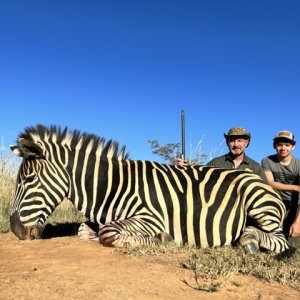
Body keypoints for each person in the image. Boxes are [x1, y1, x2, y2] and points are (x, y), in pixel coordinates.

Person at [176, 127, 267, 182]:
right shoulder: (215, 163)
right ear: (227, 142)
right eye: (232, 141)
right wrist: (185, 169)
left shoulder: (255, 167)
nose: (236, 145)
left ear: (246, 143)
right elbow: (198, 179)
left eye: (239, 140)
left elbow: (266, 191)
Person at [261, 130, 300, 240]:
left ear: (293, 147)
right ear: (274, 146)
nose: (283, 148)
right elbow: (270, 183)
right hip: (273, 203)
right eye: (280, 145)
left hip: (295, 206)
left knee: (293, 243)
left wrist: (297, 222)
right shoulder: (267, 161)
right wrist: (295, 187)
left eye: (287, 145)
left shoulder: (298, 165)